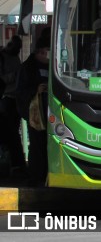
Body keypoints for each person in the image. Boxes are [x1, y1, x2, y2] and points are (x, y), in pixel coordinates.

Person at [16, 35, 50, 186]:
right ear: (40, 52)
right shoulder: (27, 68)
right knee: (37, 145)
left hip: (50, 111)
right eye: (47, 52)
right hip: (35, 113)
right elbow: (21, 91)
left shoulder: (52, 66)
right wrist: (35, 90)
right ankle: (37, 175)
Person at [0, 35, 25, 177]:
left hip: (15, 98)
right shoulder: (2, 58)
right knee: (10, 133)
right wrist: (15, 75)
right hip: (6, 98)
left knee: (13, 133)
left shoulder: (15, 58)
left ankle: (15, 164)